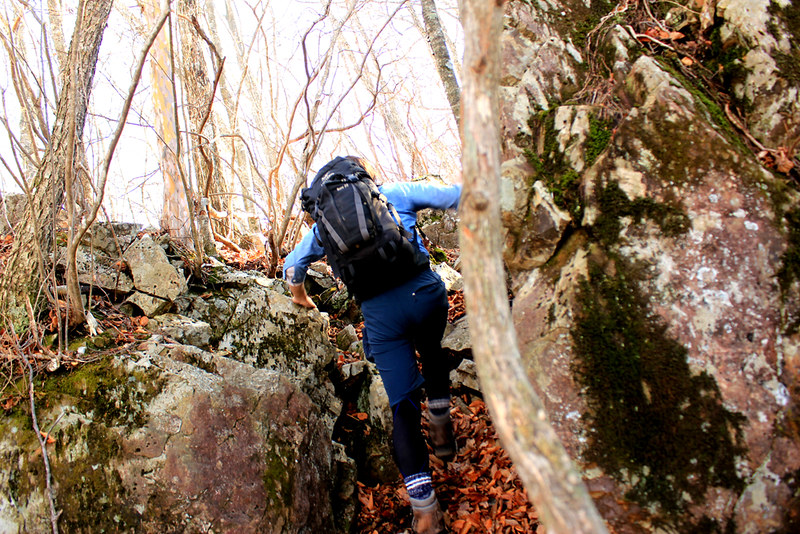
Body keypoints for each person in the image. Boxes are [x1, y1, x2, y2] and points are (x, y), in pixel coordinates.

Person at [283, 156, 461, 534]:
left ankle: (426, 511)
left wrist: (300, 295)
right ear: (362, 178)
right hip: (425, 294)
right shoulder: (393, 194)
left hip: (382, 317)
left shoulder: (325, 231)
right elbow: (454, 196)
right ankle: (443, 425)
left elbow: (292, 267)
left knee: (403, 408)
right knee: (431, 352)